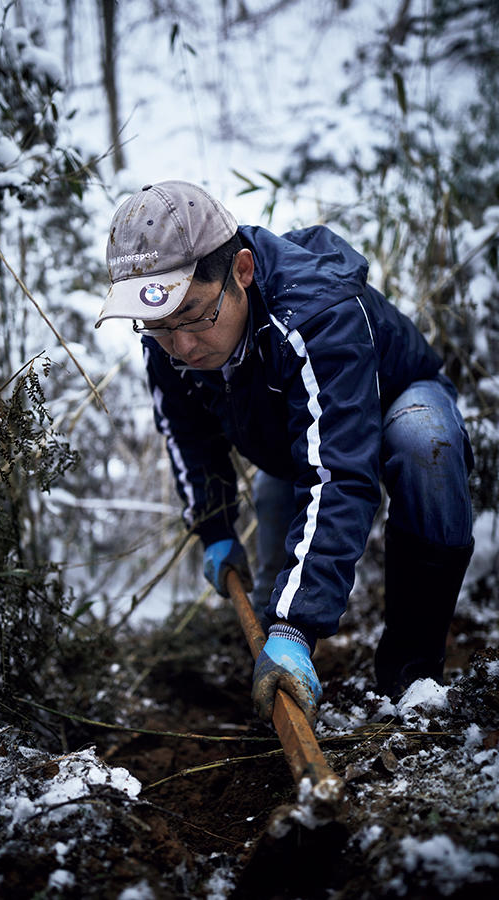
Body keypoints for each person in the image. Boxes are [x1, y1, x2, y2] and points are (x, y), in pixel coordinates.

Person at [95, 180, 474, 725]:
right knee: (282, 585)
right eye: (160, 327)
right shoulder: (171, 335)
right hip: (296, 437)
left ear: (241, 272)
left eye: (197, 317)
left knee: (425, 447)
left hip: (396, 398)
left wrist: (296, 626)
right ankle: (281, 677)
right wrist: (215, 527)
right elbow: (187, 433)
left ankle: (412, 671)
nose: (182, 346)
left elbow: (341, 471)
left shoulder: (318, 311)